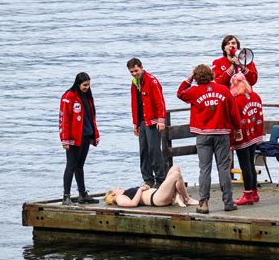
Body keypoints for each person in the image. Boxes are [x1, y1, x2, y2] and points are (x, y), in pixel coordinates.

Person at [177, 64, 242, 214]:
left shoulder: (194, 91)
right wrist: (237, 130)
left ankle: (204, 203)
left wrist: (189, 78)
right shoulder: (224, 90)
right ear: (212, 75)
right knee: (224, 168)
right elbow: (234, 113)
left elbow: (180, 93)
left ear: (196, 77)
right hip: (222, 134)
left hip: (203, 134)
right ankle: (228, 202)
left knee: (204, 169)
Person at [59, 72, 100, 205]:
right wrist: (64, 139)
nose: (87, 87)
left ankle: (82, 194)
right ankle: (66, 196)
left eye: (88, 85)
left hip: (86, 136)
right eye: (84, 85)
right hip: (73, 138)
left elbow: (91, 116)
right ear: (78, 84)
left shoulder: (88, 96)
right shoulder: (68, 97)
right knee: (71, 165)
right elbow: (64, 119)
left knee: (80, 166)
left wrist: (95, 135)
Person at [127, 58, 167, 189]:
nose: (134, 73)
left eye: (136, 71)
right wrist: (136, 124)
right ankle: (148, 179)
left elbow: (159, 101)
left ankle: (160, 178)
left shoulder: (151, 81)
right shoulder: (134, 83)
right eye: (131, 72)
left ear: (142, 67)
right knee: (143, 150)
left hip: (153, 121)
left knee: (154, 149)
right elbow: (135, 105)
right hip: (142, 121)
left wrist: (161, 120)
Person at [230, 73, 264, 205]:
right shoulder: (256, 96)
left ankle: (248, 193)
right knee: (250, 163)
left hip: (243, 136)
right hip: (254, 133)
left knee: (245, 165)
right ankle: (254, 191)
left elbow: (235, 119)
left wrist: (233, 136)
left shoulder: (237, 100)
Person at [104, 166, 198, 207]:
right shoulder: (119, 198)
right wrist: (140, 190)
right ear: (113, 194)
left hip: (157, 192)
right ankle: (186, 199)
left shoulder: (125, 193)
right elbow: (132, 204)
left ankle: (177, 196)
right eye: (116, 188)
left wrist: (143, 188)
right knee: (176, 175)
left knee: (175, 168)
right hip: (156, 199)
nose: (118, 187)